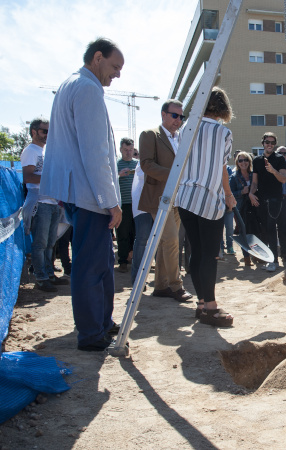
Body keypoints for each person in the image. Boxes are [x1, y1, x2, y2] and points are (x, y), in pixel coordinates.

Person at [40, 38, 123, 351]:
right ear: (97, 58)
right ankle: (91, 333)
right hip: (90, 195)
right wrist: (111, 201)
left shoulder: (70, 85)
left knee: (100, 261)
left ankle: (101, 322)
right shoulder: (87, 89)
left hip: (78, 192)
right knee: (91, 267)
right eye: (115, 67)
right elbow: (96, 152)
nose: (117, 75)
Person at [175, 87, 236, 327]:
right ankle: (210, 307)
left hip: (185, 197)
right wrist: (229, 195)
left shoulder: (185, 129)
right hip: (209, 197)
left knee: (196, 252)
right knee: (210, 254)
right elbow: (222, 169)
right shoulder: (223, 132)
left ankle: (201, 304)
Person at [138, 100, 192, 302]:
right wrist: (175, 174)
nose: (178, 120)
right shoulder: (150, 134)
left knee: (164, 243)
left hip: (179, 198)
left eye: (181, 117)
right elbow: (146, 164)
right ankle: (176, 286)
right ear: (163, 114)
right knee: (171, 240)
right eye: (174, 115)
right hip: (159, 197)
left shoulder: (182, 138)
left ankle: (161, 286)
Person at [20, 117, 70, 292]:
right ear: (34, 132)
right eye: (44, 131)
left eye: (49, 131)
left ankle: (49, 274)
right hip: (40, 203)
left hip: (52, 202)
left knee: (50, 243)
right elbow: (27, 177)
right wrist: (51, 180)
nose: (47, 135)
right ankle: (40, 277)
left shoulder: (43, 152)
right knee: (40, 243)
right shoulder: (30, 151)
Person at [249, 133, 286, 272]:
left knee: (274, 229)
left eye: (272, 142)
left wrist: (273, 171)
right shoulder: (257, 160)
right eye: (267, 142)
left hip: (275, 199)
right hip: (261, 200)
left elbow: (283, 179)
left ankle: (276, 260)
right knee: (265, 230)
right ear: (263, 143)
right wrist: (251, 194)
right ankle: (269, 258)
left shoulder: (279, 159)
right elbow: (254, 182)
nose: (269, 144)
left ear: (275, 144)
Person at [230, 151, 258, 267]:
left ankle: (256, 255)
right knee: (243, 232)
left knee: (256, 231)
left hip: (254, 206)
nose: (243, 163)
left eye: (245, 160)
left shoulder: (253, 174)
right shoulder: (234, 176)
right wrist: (242, 191)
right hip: (241, 208)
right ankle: (246, 258)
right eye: (240, 160)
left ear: (249, 161)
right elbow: (230, 193)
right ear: (237, 163)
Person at [116, 137, 137, 273]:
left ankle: (133, 257)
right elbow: (110, 182)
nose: (128, 153)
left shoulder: (138, 164)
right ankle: (123, 260)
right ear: (120, 150)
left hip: (136, 204)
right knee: (122, 232)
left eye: (130, 150)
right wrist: (118, 175)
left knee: (136, 233)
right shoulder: (116, 165)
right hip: (122, 204)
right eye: (125, 150)